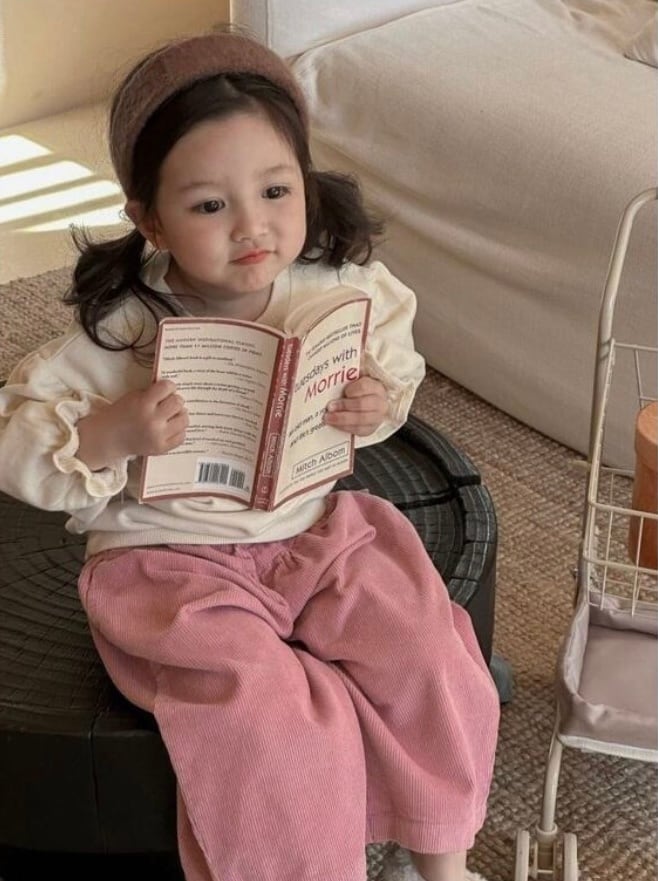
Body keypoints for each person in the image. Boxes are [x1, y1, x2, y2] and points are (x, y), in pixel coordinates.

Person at [0, 28, 499, 881]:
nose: (252, 227)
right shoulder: (123, 328)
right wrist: (111, 432)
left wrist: (372, 402)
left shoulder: (336, 290)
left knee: (424, 646)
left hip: (317, 530)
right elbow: (18, 436)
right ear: (148, 219)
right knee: (267, 715)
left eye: (275, 190)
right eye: (208, 206)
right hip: (169, 564)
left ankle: (441, 862)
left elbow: (388, 372)